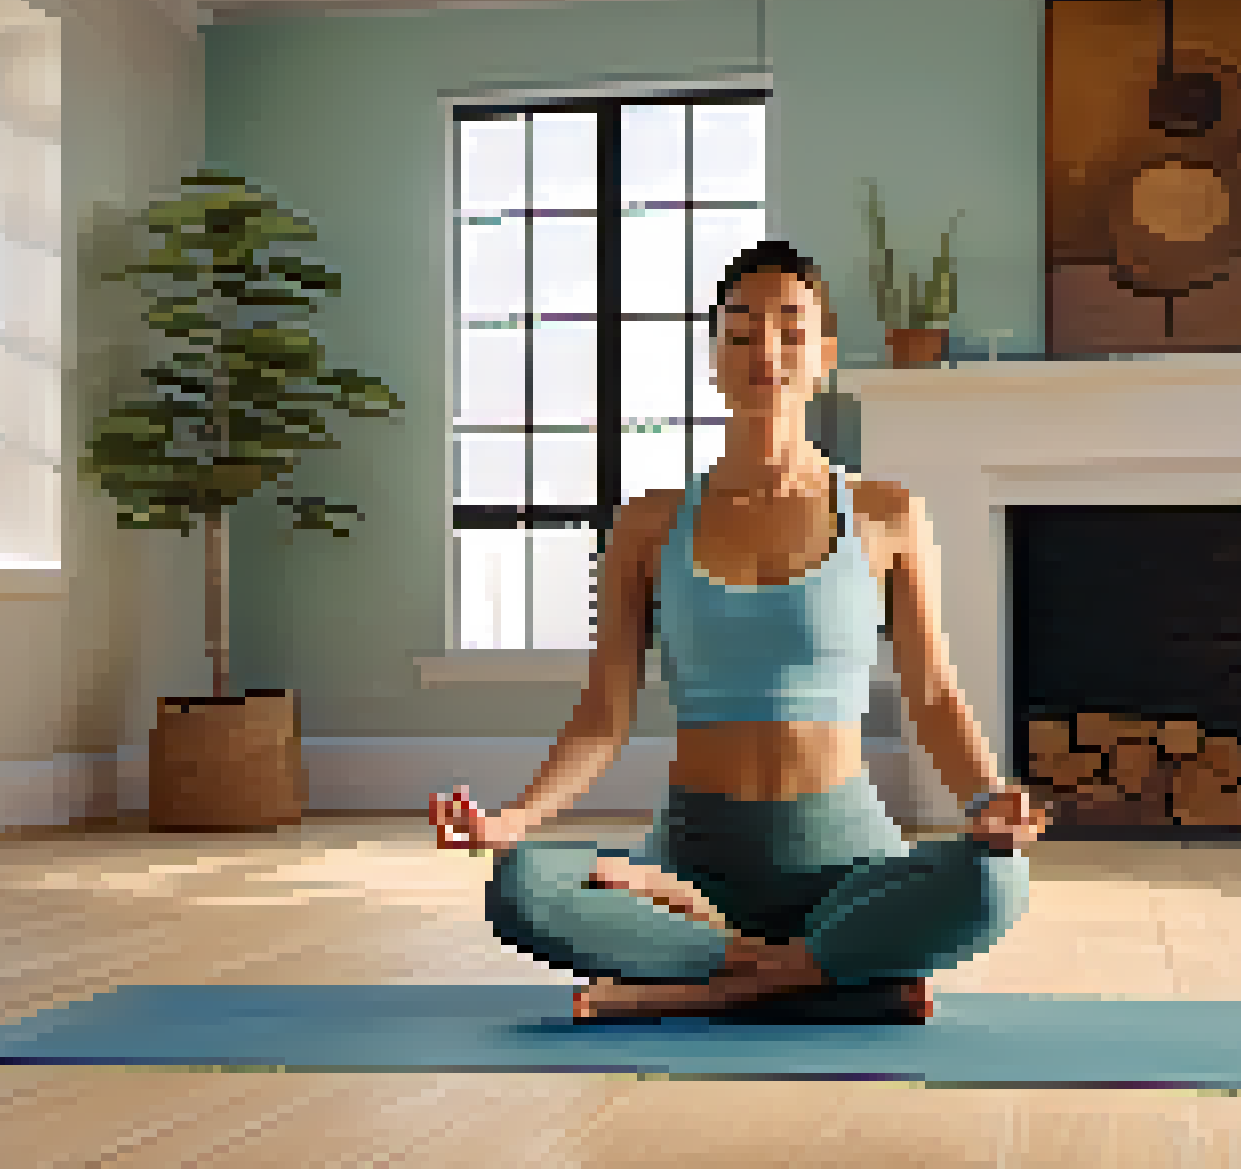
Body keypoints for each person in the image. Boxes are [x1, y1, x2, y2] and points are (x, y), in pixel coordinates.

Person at [427, 240, 1048, 1023]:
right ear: (713, 358)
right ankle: (822, 974)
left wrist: (990, 802)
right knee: (519, 889)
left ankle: (719, 982)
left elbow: (931, 695)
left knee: (998, 882)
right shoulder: (647, 525)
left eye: (791, 329)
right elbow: (603, 714)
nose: (767, 351)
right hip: (691, 872)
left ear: (823, 355)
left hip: (849, 862)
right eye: (741, 331)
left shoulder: (888, 514)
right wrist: (512, 821)